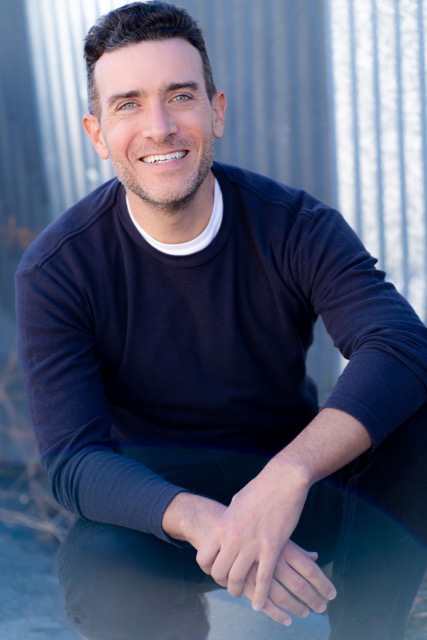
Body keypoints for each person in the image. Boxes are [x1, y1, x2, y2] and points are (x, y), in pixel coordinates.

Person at [15, 2, 427, 639]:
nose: (159, 127)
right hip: (161, 512)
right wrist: (205, 522)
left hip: (294, 490)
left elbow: (400, 344)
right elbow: (75, 458)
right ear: (97, 134)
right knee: (98, 564)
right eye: (128, 104)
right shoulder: (57, 270)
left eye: (180, 96)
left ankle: (368, 632)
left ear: (217, 111)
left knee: (414, 417)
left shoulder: (295, 226)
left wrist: (287, 476)